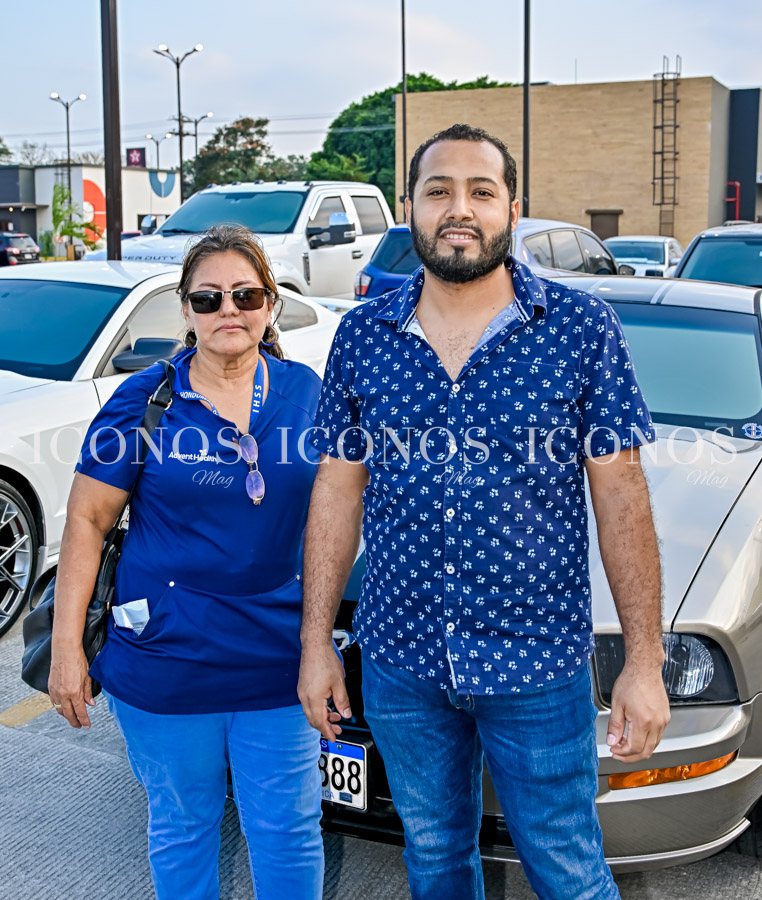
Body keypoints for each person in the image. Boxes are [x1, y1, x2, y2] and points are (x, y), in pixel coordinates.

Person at [298, 124, 670, 900]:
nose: (458, 209)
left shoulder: (581, 330)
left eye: (480, 191)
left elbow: (622, 499)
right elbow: (337, 490)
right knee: (434, 861)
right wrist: (316, 644)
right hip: (403, 663)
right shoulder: (364, 334)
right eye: (438, 191)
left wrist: (643, 662)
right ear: (410, 208)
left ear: (513, 208)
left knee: (567, 871)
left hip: (536, 664)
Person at [49, 225, 325, 900]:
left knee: (288, 830)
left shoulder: (307, 393)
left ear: (270, 305)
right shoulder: (145, 400)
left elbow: (343, 517)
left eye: (245, 294)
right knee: (183, 824)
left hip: (277, 662)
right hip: (166, 659)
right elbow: (87, 521)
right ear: (186, 310)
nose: (228, 310)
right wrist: (66, 651)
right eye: (208, 299)